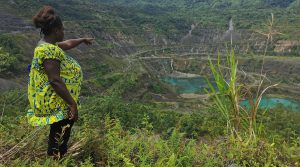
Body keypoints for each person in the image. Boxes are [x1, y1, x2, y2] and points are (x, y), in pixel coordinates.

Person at [27, 5, 94, 158]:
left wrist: (82, 40)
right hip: (58, 101)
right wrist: (72, 104)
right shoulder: (49, 51)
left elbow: (68, 44)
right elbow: (55, 80)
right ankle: (56, 159)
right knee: (59, 136)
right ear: (56, 31)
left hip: (58, 99)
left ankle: (57, 157)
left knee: (59, 132)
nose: (64, 32)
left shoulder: (47, 44)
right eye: (62, 29)